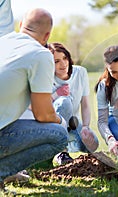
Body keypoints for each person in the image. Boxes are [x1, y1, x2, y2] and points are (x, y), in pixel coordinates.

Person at [0, 8, 68, 192]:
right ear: (47, 36)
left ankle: (7, 173)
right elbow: (43, 113)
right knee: (59, 135)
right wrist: (61, 121)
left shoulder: (3, 42)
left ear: (21, 25)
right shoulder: (40, 54)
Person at [48, 42, 99, 165]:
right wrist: (57, 94)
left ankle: (69, 146)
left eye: (65, 58)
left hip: (73, 124)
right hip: (54, 127)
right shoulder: (46, 77)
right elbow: (40, 105)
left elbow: (85, 104)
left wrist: (86, 127)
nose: (63, 64)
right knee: (64, 102)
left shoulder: (80, 72)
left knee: (93, 144)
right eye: (56, 61)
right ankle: (62, 151)